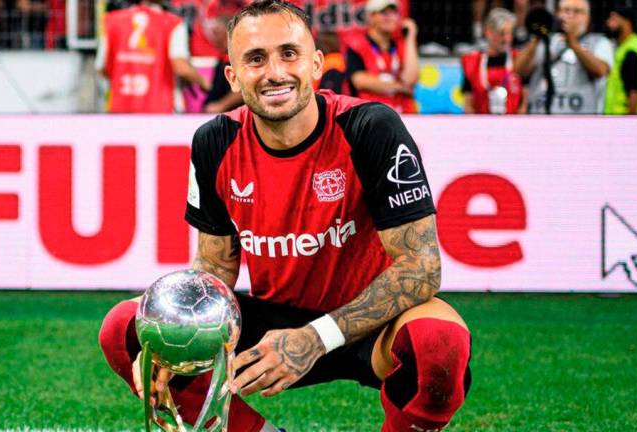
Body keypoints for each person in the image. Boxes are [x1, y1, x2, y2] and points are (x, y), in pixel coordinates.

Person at [99, 1, 472, 431]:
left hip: (371, 323)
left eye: (288, 53)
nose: (275, 71)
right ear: (233, 76)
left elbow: (421, 268)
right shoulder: (215, 141)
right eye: (256, 59)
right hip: (269, 324)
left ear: (316, 64)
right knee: (126, 328)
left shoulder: (370, 127)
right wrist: (175, 334)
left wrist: (316, 337)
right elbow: (215, 268)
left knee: (438, 343)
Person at [96, 0, 210, 113]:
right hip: (162, 109)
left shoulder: (111, 21)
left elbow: (102, 68)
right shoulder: (173, 23)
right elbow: (181, 67)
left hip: (121, 107)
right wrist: (204, 82)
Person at [515, 0, 613, 114]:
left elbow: (601, 71)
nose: (570, 16)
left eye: (577, 11)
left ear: (587, 18)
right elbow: (519, 70)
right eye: (565, 10)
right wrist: (537, 36)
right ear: (557, 14)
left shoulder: (599, 42)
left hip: (583, 123)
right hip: (541, 122)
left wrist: (573, 43)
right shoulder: (546, 41)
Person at [344, 0, 419, 113]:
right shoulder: (357, 45)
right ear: (371, 16)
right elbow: (360, 81)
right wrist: (400, 87)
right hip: (371, 113)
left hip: (403, 112)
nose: (390, 18)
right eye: (384, 13)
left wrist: (411, 37)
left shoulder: (401, 45)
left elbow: (410, 79)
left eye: (394, 13)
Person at [461, 7, 527, 114]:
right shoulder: (472, 63)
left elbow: (524, 103)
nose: (506, 39)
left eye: (509, 33)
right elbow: (467, 104)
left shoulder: (518, 59)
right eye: (502, 33)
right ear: (488, 32)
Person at [603, 5, 637, 115]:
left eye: (614, 18)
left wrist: (629, 125)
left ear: (627, 23)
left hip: (626, 123)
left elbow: (634, 93)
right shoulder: (632, 45)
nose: (608, 23)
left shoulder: (630, 51)